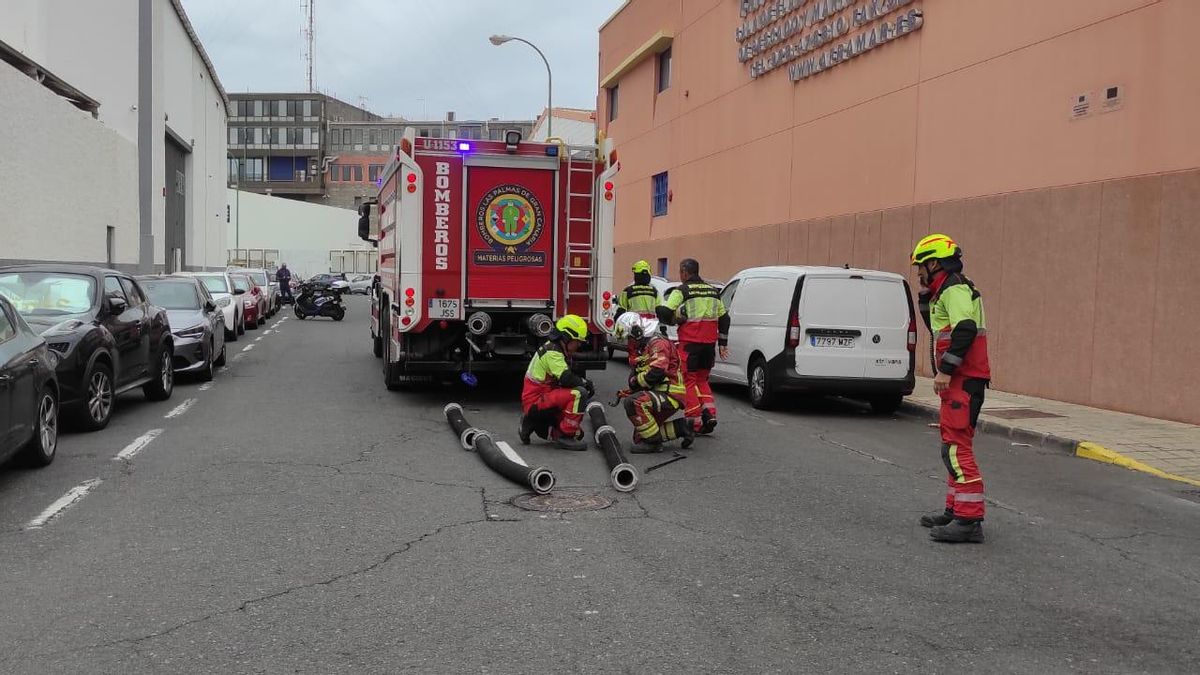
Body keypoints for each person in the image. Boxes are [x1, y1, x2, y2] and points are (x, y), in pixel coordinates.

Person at [911, 234, 991, 544]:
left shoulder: (955, 287)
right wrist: (924, 302)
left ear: (933, 262)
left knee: (957, 449)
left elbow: (965, 328)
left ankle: (969, 522)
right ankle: (955, 510)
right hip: (960, 379)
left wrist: (945, 370)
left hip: (963, 379)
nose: (918, 272)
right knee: (951, 446)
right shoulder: (944, 289)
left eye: (921, 266)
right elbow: (939, 329)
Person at [657, 258, 728, 435]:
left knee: (687, 381)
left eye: (680, 272)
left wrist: (671, 319)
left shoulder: (682, 290)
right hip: (709, 345)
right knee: (702, 380)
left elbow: (665, 311)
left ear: (684, 272)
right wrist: (723, 343)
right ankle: (710, 414)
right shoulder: (713, 292)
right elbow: (725, 318)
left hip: (690, 344)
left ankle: (693, 422)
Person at [613, 313, 694, 453]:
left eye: (629, 339)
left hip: (670, 394)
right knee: (640, 437)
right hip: (661, 392)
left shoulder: (658, 343)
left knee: (633, 402)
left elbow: (657, 371)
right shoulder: (645, 347)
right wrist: (631, 389)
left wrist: (635, 383)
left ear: (636, 332)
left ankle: (653, 443)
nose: (628, 344)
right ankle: (682, 427)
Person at [518, 315, 595, 451]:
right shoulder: (552, 352)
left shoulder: (556, 349)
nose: (579, 345)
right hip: (536, 401)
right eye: (577, 341)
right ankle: (565, 436)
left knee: (579, 434)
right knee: (579, 393)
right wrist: (585, 383)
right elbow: (566, 378)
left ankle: (532, 423)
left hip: (543, 398)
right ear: (567, 337)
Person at [615, 260, 661, 366]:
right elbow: (660, 310)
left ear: (636, 275)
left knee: (634, 357)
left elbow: (621, 312)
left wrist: (617, 328)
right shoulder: (654, 292)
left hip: (634, 330)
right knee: (650, 356)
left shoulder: (628, 291)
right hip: (651, 330)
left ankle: (636, 378)